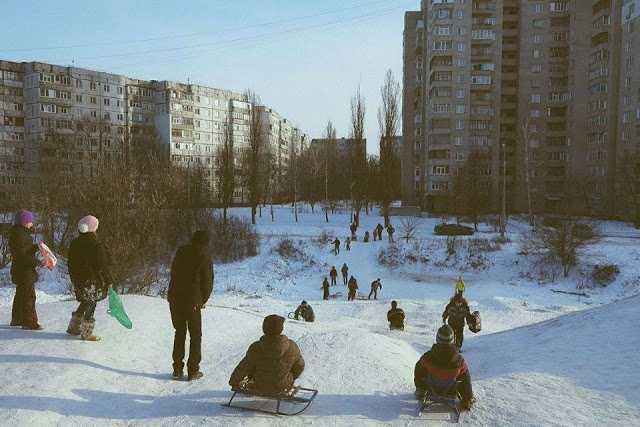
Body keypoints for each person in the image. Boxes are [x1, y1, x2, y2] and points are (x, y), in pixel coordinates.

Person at [167, 230, 214, 381]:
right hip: (192, 301)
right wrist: (202, 300)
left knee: (179, 332)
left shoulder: (181, 251)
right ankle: (193, 370)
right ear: (205, 243)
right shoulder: (205, 257)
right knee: (195, 335)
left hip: (175, 298)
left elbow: (173, 273)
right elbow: (207, 283)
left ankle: (177, 369)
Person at [229, 314, 305, 396]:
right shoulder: (292, 346)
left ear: (264, 329)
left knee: (253, 365)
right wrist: (290, 377)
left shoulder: (256, 347)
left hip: (258, 386)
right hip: (283, 386)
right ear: (281, 328)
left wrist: (234, 382)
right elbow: (300, 366)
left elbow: (244, 367)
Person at [66, 215, 113, 341]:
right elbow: (102, 265)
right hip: (92, 280)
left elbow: (70, 263)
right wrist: (109, 280)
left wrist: (73, 278)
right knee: (91, 303)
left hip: (78, 279)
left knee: (86, 301)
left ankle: (73, 327)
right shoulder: (95, 244)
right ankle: (86, 333)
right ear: (93, 228)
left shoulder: (74, 243)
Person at [414, 325, 475, 411]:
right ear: (452, 340)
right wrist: (468, 396)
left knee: (420, 368)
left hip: (431, 388)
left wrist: (420, 385)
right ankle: (467, 399)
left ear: (437, 339)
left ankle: (421, 391)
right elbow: (466, 379)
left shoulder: (427, 357)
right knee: (464, 374)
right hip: (451, 391)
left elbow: (418, 370)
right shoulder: (459, 360)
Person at [9, 210, 42, 330]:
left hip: (20, 269)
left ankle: (17, 319)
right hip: (24, 270)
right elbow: (22, 255)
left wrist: (35, 247)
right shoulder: (20, 235)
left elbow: (23, 251)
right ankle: (29, 322)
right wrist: (39, 262)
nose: (31, 224)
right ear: (24, 222)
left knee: (21, 294)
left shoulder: (19, 233)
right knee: (29, 296)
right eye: (29, 221)